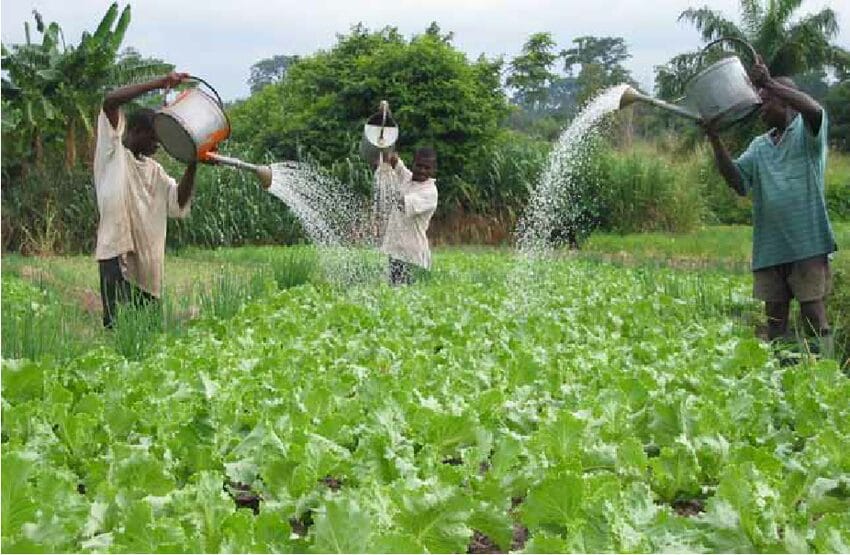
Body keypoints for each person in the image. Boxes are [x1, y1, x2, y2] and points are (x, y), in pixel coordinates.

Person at [702, 56, 836, 357]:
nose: (761, 108)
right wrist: (714, 139)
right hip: (770, 248)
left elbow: (815, 109)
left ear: (784, 102)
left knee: (814, 315)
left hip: (807, 244)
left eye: (767, 102)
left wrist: (769, 83)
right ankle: (779, 379)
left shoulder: (807, 133)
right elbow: (738, 182)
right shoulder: (760, 145)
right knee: (775, 322)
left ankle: (825, 373)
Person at [95, 71, 199, 328]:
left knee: (148, 336)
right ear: (138, 131)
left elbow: (177, 202)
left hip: (149, 270)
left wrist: (193, 162)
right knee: (117, 330)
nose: (158, 145)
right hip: (116, 254)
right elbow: (110, 101)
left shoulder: (155, 171)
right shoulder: (112, 153)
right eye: (155, 137)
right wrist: (161, 82)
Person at [378, 148, 439, 285]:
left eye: (427, 168)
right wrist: (384, 145)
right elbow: (394, 161)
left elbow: (402, 205)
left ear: (433, 170)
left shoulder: (429, 192)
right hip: (396, 252)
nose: (422, 171)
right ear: (413, 164)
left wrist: (388, 188)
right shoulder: (407, 178)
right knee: (395, 294)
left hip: (412, 257)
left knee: (405, 296)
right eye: (419, 165)